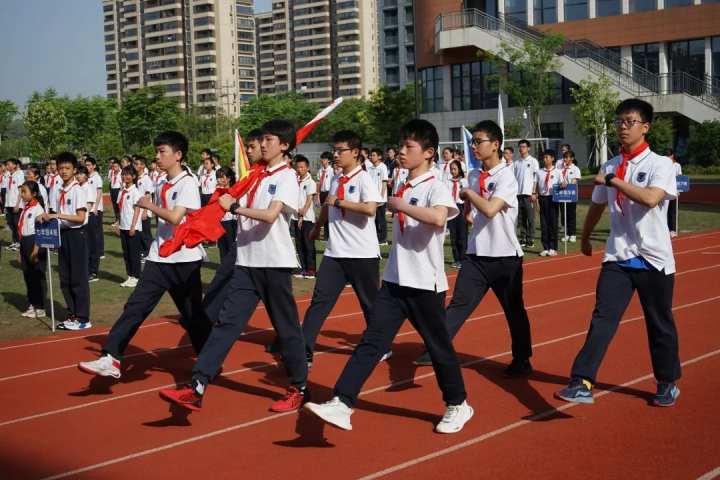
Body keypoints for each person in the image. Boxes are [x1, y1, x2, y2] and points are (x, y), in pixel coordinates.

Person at [304, 119, 473, 434]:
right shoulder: (404, 183)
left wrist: (402, 205)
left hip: (425, 284)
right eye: (402, 145)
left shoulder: (435, 184)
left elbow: (438, 217)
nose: (402, 152)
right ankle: (342, 402)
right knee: (372, 342)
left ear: (428, 153)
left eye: (409, 147)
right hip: (395, 281)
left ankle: (458, 403)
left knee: (438, 349)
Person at [158, 120, 310, 413]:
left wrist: (233, 207)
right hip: (246, 262)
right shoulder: (254, 176)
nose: (263, 145)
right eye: (261, 140)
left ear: (285, 145)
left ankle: (300, 386)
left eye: (269, 140)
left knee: (286, 327)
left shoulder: (288, 177)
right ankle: (197, 384)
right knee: (227, 324)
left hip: (274, 264)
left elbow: (270, 215)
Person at [555, 98, 682, 407]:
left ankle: (667, 382)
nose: (622, 127)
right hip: (619, 257)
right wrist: (585, 237)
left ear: (645, 127)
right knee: (603, 318)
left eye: (629, 122)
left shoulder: (660, 165)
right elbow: (598, 203)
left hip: (653, 258)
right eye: (619, 122)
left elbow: (651, 199)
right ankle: (581, 381)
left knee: (659, 323)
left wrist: (614, 180)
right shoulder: (610, 164)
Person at [78, 131, 212, 378]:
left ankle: (209, 361)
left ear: (178, 155)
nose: (157, 156)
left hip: (184, 259)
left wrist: (148, 205)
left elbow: (174, 217)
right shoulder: (161, 182)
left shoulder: (188, 183)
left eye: (163, 152)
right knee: (136, 306)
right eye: (156, 151)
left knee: (193, 316)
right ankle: (111, 357)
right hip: (159, 258)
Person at [414, 121, 531, 376]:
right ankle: (436, 347)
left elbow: (490, 209)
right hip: (477, 254)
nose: (474, 146)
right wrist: (469, 208)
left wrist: (468, 193)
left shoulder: (507, 177)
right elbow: (474, 214)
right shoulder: (475, 175)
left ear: (496, 145)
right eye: (473, 142)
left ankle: (522, 358)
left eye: (479, 141)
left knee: (513, 311)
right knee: (459, 303)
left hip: (505, 258)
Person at [301, 130, 387, 367]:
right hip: (335, 253)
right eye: (335, 150)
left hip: (362, 255)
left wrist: (338, 201)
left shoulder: (364, 179)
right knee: (319, 302)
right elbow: (329, 206)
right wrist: (318, 226)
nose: (336, 155)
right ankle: (304, 351)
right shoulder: (337, 178)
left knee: (369, 304)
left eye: (341, 151)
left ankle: (380, 345)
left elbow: (370, 208)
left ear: (356, 153)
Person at [38, 152, 91, 330]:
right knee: (65, 278)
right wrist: (47, 217)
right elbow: (55, 215)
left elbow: (81, 218)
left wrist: (57, 215)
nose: (64, 171)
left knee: (78, 278)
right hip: (64, 235)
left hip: (77, 235)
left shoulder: (78, 190)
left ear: (74, 169)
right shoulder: (59, 189)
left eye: (67, 168)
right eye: (60, 168)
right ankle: (72, 314)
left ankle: (83, 318)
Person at [17, 181, 47, 319]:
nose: (21, 194)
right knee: (28, 275)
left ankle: (40, 306)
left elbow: (41, 232)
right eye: (21, 191)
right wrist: (20, 250)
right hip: (25, 243)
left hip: (35, 243)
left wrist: (35, 250)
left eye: (24, 191)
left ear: (34, 194)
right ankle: (32, 303)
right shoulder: (26, 208)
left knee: (37, 275)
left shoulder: (38, 209)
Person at [115, 165, 143, 288]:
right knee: (126, 253)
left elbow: (137, 210)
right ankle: (130, 276)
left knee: (134, 253)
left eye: (128, 174)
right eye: (123, 174)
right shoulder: (122, 191)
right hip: (123, 226)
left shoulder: (135, 192)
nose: (125, 177)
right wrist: (118, 224)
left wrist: (133, 226)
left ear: (134, 177)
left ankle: (136, 277)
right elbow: (120, 209)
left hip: (133, 227)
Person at [291, 154, 317, 278]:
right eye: (298, 167)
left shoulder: (310, 182)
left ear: (307, 168)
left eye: (302, 167)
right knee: (299, 244)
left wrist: (302, 215)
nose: (299, 169)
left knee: (308, 243)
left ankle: (311, 269)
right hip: (296, 217)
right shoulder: (296, 181)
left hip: (307, 218)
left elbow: (309, 200)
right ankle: (303, 268)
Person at [536, 149, 562, 257]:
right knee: (544, 223)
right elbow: (536, 185)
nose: (545, 159)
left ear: (552, 159)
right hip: (543, 198)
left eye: (547, 157)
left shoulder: (558, 172)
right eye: (544, 157)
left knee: (553, 223)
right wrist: (535, 195)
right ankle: (545, 247)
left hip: (553, 198)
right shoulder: (539, 172)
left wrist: (563, 184)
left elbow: (562, 183)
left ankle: (553, 247)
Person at [514, 140, 538, 248]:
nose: (521, 149)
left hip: (529, 194)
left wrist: (534, 192)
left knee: (530, 218)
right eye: (520, 147)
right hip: (518, 194)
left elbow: (535, 178)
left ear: (528, 148)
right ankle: (522, 238)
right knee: (521, 218)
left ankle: (531, 238)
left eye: (523, 146)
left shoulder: (533, 161)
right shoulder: (516, 162)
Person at [85, 157, 105, 282]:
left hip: (94, 211)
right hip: (87, 211)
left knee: (95, 238)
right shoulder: (86, 178)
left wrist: (96, 207)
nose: (87, 167)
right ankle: (88, 268)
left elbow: (99, 193)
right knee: (88, 240)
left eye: (89, 165)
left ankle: (93, 271)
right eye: (85, 165)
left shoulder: (96, 178)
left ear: (94, 166)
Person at [446, 160, 468, 269]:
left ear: (459, 169)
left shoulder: (464, 181)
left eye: (455, 169)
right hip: (452, 208)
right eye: (451, 169)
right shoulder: (448, 181)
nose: (453, 171)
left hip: (461, 207)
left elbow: (468, 197)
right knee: (453, 236)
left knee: (462, 235)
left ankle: (464, 259)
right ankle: (456, 259)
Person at [367, 147, 389, 246]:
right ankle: (375, 236)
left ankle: (383, 239)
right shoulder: (370, 168)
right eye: (371, 155)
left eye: (373, 155)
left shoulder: (383, 167)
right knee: (373, 218)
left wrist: (380, 197)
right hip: (372, 197)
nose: (371, 157)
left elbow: (384, 182)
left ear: (379, 157)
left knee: (381, 218)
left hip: (380, 198)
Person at [134, 156, 154, 258]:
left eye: (137, 164)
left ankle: (149, 253)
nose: (135, 166)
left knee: (146, 233)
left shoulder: (147, 179)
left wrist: (145, 211)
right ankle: (142, 251)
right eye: (135, 164)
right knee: (140, 232)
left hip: (144, 210)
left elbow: (148, 195)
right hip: (137, 210)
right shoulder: (136, 178)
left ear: (143, 166)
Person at [559, 150, 582, 242]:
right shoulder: (561, 169)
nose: (565, 159)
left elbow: (574, 181)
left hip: (571, 195)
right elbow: (559, 180)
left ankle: (572, 234)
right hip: (562, 195)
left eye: (567, 157)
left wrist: (567, 186)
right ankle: (566, 234)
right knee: (564, 214)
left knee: (571, 215)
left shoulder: (575, 169)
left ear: (572, 158)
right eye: (564, 157)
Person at [215, 167, 237, 260]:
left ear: (228, 179)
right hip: (221, 222)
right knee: (222, 247)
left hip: (231, 222)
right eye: (217, 177)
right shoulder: (217, 191)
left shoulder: (235, 190)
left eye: (221, 177)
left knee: (231, 247)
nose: (218, 180)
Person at [4, 158, 25, 250]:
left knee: (17, 223)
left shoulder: (19, 174)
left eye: (9, 164)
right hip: (9, 203)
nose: (7, 166)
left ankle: (20, 242)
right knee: (10, 222)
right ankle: (14, 241)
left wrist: (17, 204)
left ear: (15, 165)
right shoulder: (9, 175)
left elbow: (20, 190)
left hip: (16, 203)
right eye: (7, 164)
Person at [316, 151, 334, 241]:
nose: (322, 160)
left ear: (329, 160)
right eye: (322, 158)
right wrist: (318, 195)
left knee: (329, 214)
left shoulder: (331, 171)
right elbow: (318, 183)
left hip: (329, 193)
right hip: (322, 193)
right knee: (323, 214)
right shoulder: (320, 170)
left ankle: (330, 234)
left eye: (324, 159)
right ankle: (326, 234)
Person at [666, 147, 681, 237]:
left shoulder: (677, 165)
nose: (667, 156)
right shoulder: (662, 164)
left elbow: (679, 178)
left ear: (672, 155)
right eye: (666, 154)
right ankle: (665, 229)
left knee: (672, 211)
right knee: (664, 211)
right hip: (664, 191)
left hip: (674, 191)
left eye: (669, 154)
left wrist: (678, 190)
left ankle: (672, 230)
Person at [108, 157, 123, 224]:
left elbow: (123, 183)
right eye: (113, 166)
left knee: (119, 205)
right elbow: (110, 180)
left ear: (119, 166)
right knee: (114, 205)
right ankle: (117, 219)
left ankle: (120, 219)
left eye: (116, 166)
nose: (114, 168)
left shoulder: (122, 173)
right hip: (113, 189)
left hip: (118, 190)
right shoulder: (112, 172)